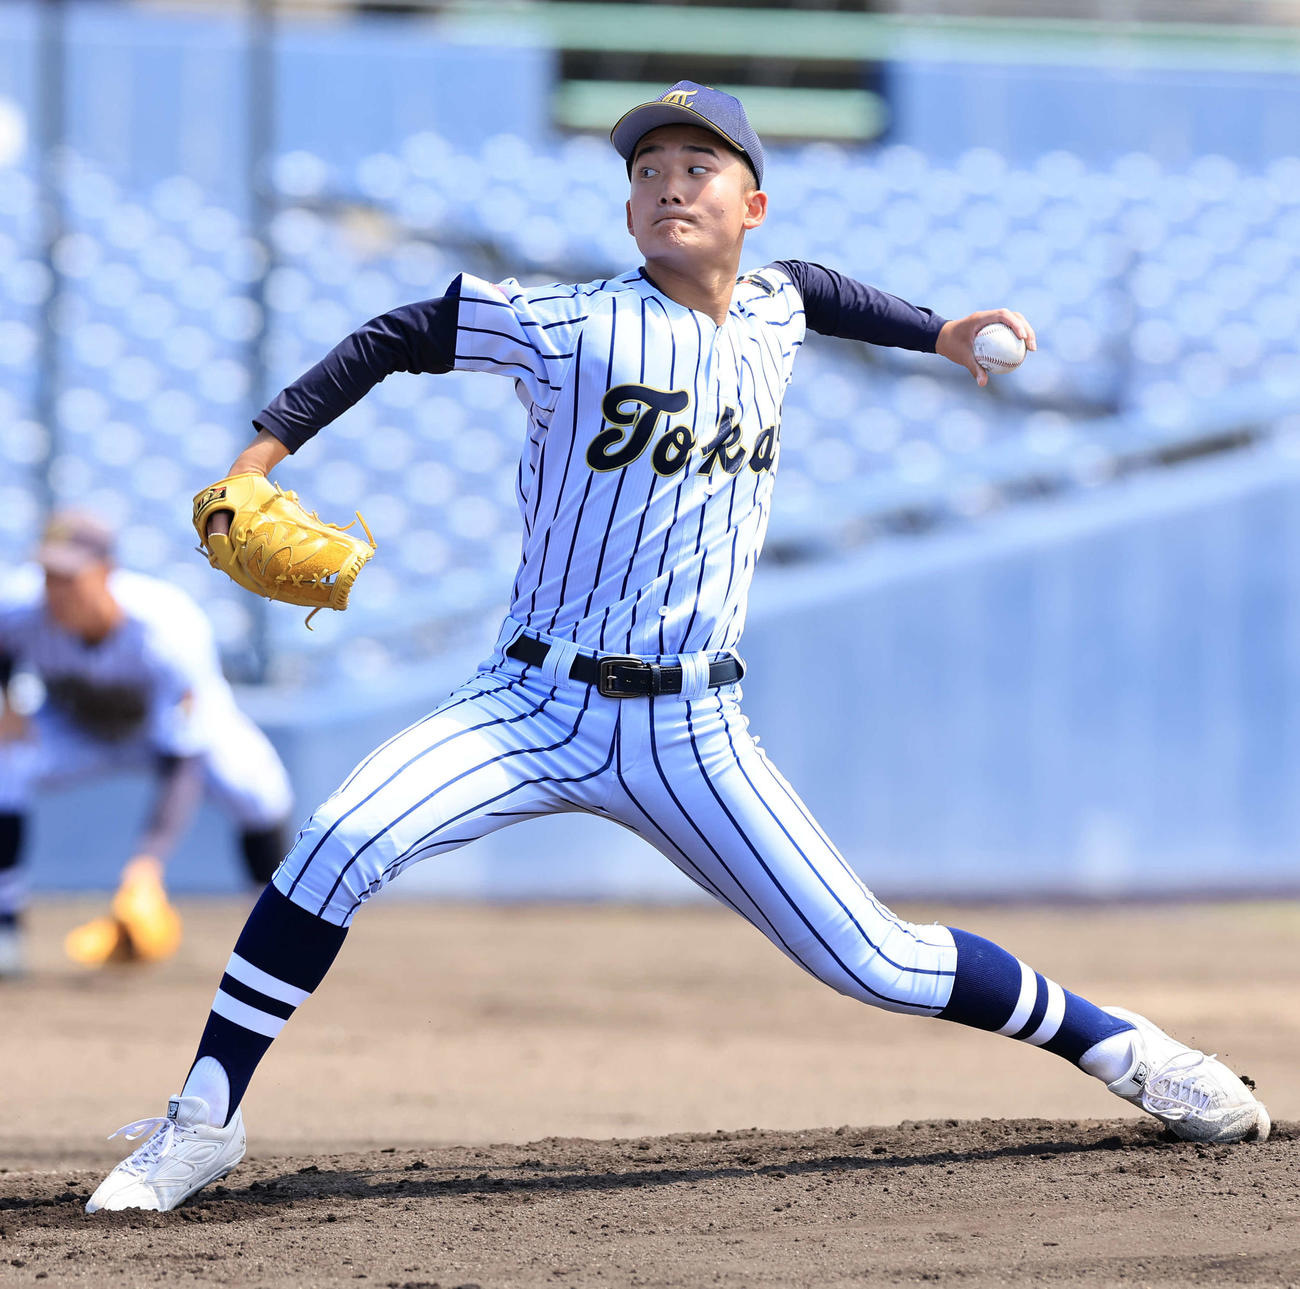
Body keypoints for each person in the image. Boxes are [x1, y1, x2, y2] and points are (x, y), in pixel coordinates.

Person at [87, 81, 1268, 1213]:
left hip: (690, 729)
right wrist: (260, 458)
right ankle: (203, 1116)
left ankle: (1129, 1048)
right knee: (338, 837)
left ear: (750, 205)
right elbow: (402, 330)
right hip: (529, 702)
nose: (668, 184)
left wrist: (941, 329)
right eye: (647, 170)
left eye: (698, 167)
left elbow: (821, 291)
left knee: (880, 962)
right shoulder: (573, 322)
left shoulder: (777, 307)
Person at [0, 510, 294, 977]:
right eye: (48, 574)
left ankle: (280, 935)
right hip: (79, 732)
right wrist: (7, 700)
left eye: (69, 575)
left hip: (180, 734)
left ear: (106, 571)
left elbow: (183, 760)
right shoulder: (21, 607)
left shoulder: (167, 626)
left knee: (256, 785)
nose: (55, 589)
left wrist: (146, 867)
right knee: (5, 762)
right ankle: (5, 929)